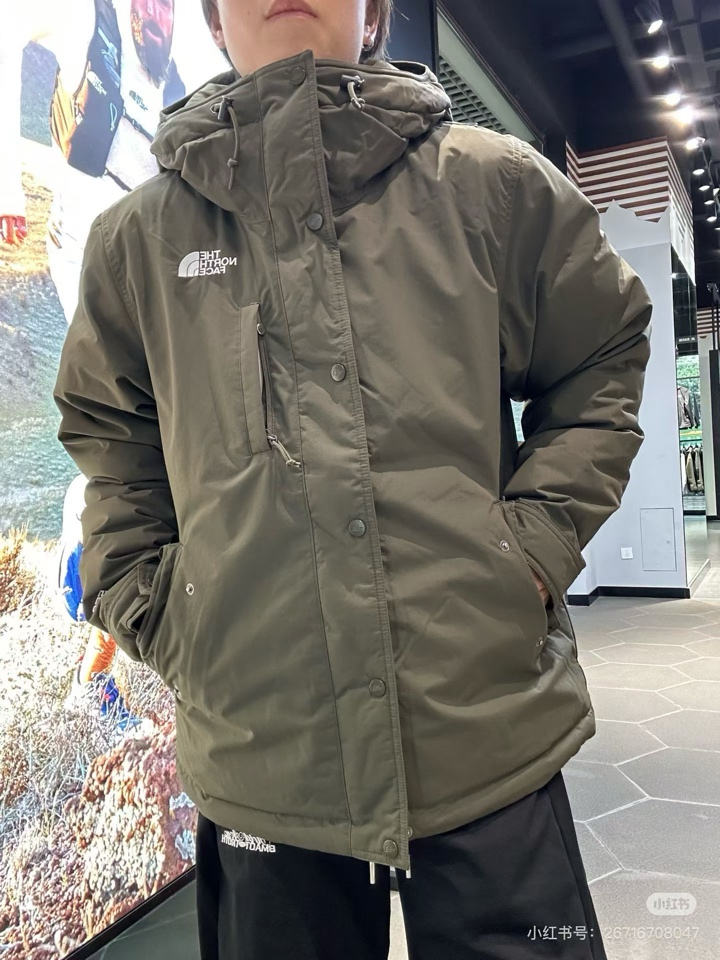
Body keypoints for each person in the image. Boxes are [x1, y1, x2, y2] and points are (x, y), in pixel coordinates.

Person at [52, 0, 653, 956]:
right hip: (261, 758)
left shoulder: (494, 186)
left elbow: (602, 356)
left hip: (484, 732)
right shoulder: (137, 242)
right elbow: (108, 439)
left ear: (374, 11)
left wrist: (532, 552)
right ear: (213, 20)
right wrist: (164, 612)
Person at [0, 0, 185, 322]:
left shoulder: (185, 61)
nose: (157, 13)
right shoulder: (82, 13)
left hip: (160, 265)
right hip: (87, 254)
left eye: (165, 5)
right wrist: (7, 192)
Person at [58, 473, 141, 735]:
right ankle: (90, 691)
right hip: (83, 585)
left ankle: (89, 687)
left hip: (79, 577)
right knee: (115, 620)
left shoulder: (93, 480)